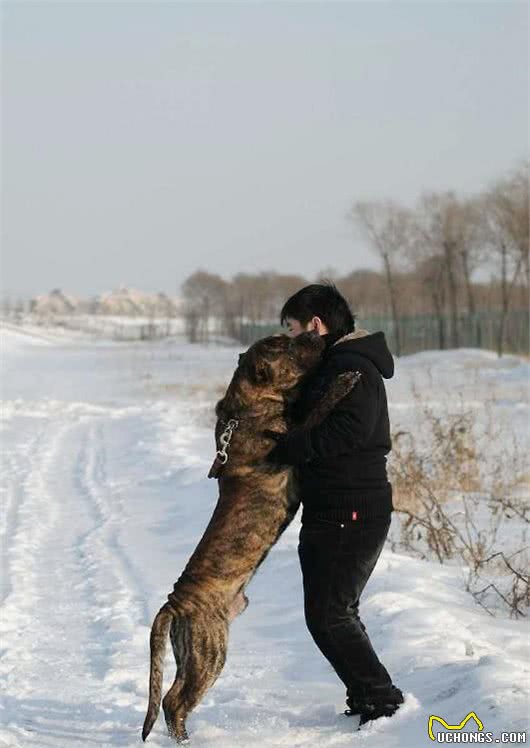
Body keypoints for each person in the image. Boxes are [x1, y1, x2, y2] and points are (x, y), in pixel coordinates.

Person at [265, 283, 404, 728]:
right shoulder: (335, 364)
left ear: (316, 326)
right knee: (334, 611)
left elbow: (349, 433)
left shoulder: (352, 368)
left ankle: (383, 702)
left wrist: (290, 447)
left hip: (352, 507)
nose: (288, 339)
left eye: (292, 329)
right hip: (337, 506)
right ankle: (368, 696)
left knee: (328, 614)